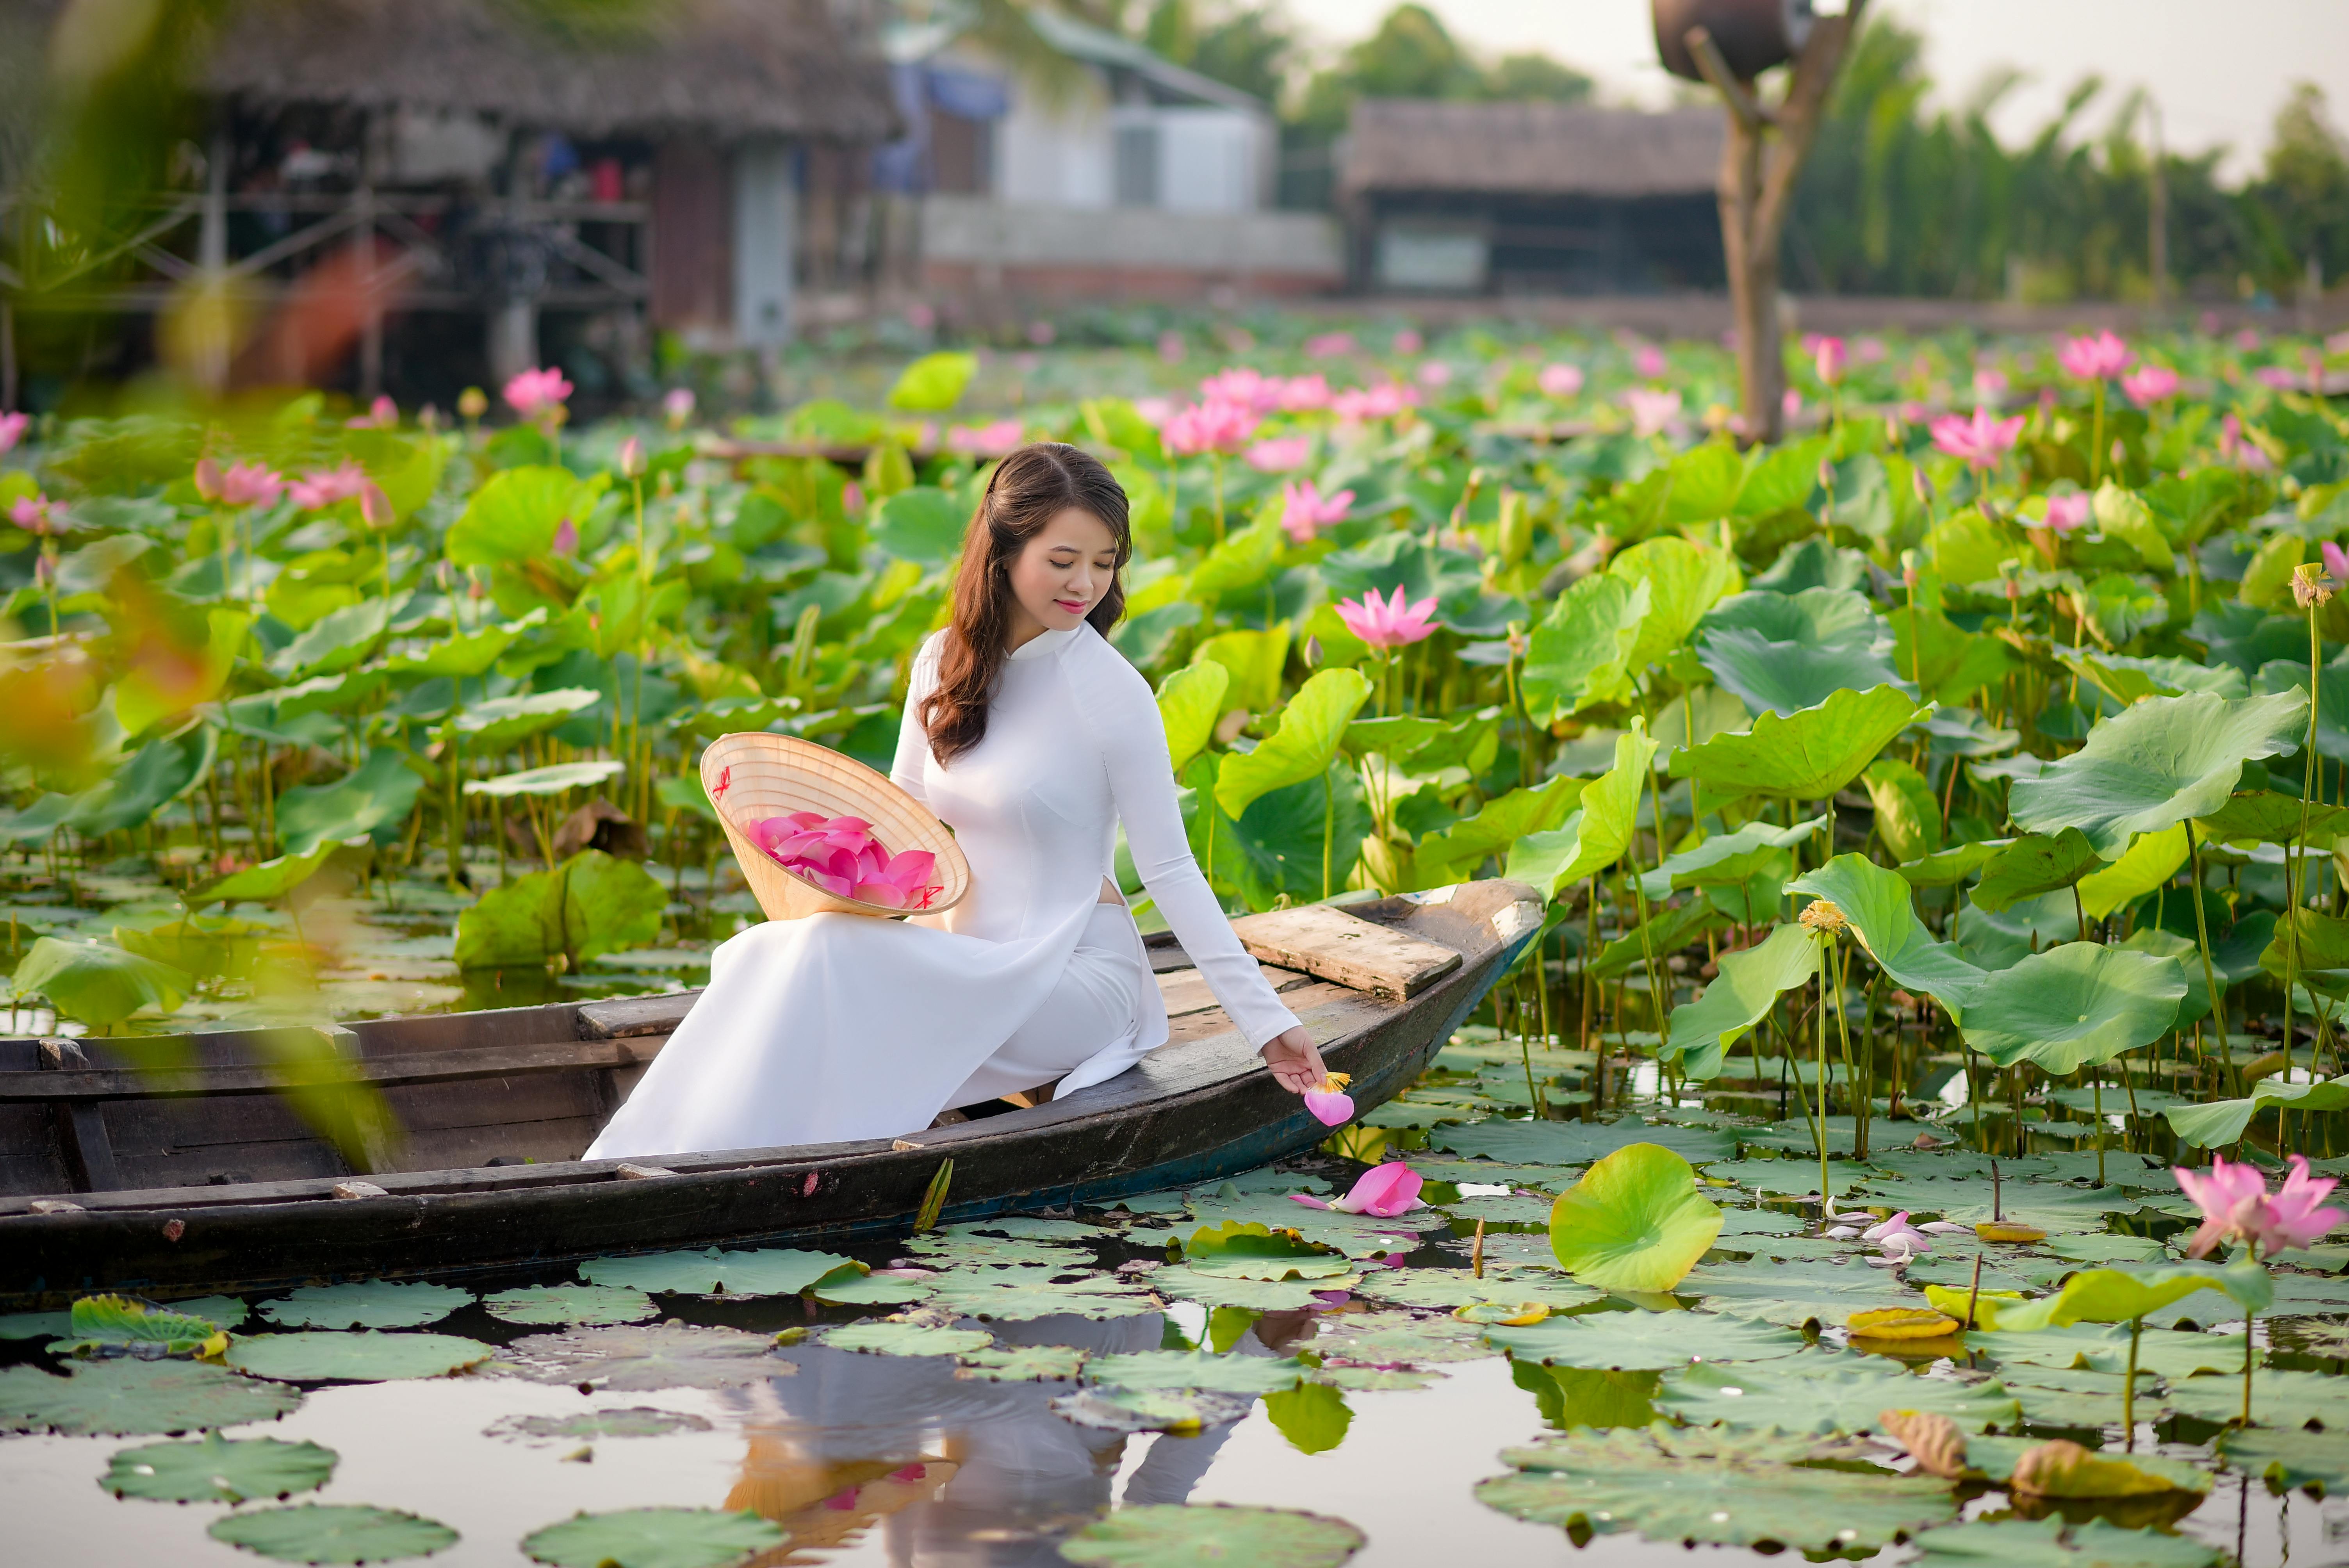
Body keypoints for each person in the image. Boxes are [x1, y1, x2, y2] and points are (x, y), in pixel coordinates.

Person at [586, 442, 1330, 1158]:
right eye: (1063, 562)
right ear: (1003, 554)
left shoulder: (1113, 694)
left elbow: (1171, 872)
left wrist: (1267, 1024)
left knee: (824, 967)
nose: (1086, 586)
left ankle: (748, 1160)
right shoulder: (942, 661)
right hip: (961, 955)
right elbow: (898, 819)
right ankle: (663, 1158)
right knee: (768, 954)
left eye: (1105, 564)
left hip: (1071, 977)